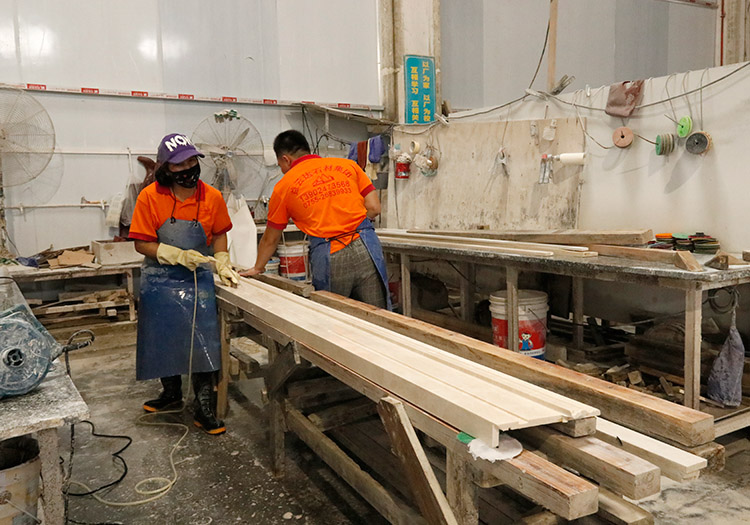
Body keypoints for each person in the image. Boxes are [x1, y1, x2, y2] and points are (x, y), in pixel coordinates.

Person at [129, 133, 240, 435]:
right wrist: (173, 253)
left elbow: (220, 233)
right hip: (159, 280)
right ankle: (171, 393)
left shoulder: (211, 197)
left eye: (192, 161)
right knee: (162, 340)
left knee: (203, 342)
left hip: (196, 278)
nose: (188, 168)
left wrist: (222, 259)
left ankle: (203, 406)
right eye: (179, 164)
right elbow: (141, 243)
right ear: (165, 168)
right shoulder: (150, 197)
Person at [241, 130, 390, 309]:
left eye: (280, 165)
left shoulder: (283, 187)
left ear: (286, 159)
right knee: (377, 316)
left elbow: (270, 239)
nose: (282, 170)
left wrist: (257, 268)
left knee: (334, 316)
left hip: (331, 255)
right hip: (367, 247)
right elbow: (374, 208)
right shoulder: (347, 165)